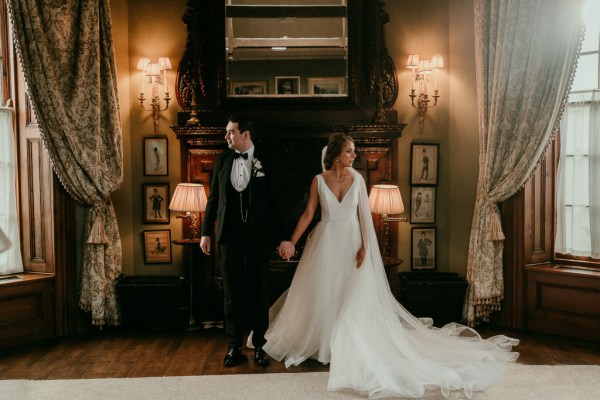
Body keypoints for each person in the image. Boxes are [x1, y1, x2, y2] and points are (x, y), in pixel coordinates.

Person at [269, 133, 519, 399]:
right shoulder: (318, 181)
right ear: (336, 155)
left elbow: (364, 216)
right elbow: (309, 213)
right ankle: (325, 346)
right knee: (326, 293)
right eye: (349, 152)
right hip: (326, 242)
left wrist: (366, 246)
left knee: (352, 295)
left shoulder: (358, 179)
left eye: (354, 151)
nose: (355, 156)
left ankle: (349, 346)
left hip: (353, 243)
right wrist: (292, 241)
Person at [200, 114, 280, 368]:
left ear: (245, 134)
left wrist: (282, 237)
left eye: (231, 132)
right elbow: (213, 199)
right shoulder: (223, 159)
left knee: (259, 292)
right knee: (231, 293)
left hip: (258, 238)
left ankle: (259, 347)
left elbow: (277, 202)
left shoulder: (266, 159)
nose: (226, 137)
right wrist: (205, 232)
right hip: (229, 237)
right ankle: (233, 347)